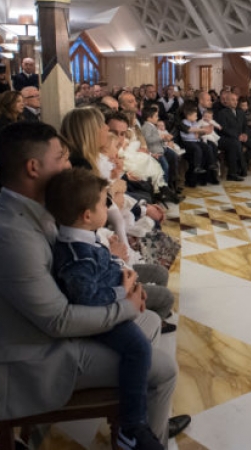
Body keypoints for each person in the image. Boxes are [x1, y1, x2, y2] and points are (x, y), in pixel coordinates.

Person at [0, 122, 189, 446]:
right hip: (36, 360)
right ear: (33, 167)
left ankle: (140, 416)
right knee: (163, 367)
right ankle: (138, 434)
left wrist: (119, 285)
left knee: (150, 320)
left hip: (43, 333)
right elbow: (59, 320)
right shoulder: (12, 237)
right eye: (63, 157)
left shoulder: (30, 211)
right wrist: (124, 305)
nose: (70, 166)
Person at [46, 168, 163, 450]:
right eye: (103, 203)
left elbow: (106, 266)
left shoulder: (84, 237)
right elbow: (86, 296)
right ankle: (131, 426)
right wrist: (124, 293)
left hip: (114, 302)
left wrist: (126, 276)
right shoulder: (76, 254)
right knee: (139, 349)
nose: (108, 207)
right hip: (100, 317)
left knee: (149, 327)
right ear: (87, 215)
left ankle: (143, 414)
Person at [216, 91, 251, 181]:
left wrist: (246, 134)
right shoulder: (222, 113)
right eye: (232, 100)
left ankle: (241, 165)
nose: (235, 102)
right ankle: (232, 173)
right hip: (227, 138)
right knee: (235, 144)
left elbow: (245, 126)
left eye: (236, 100)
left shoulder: (240, 112)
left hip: (241, 137)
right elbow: (224, 129)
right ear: (226, 101)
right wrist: (238, 136)